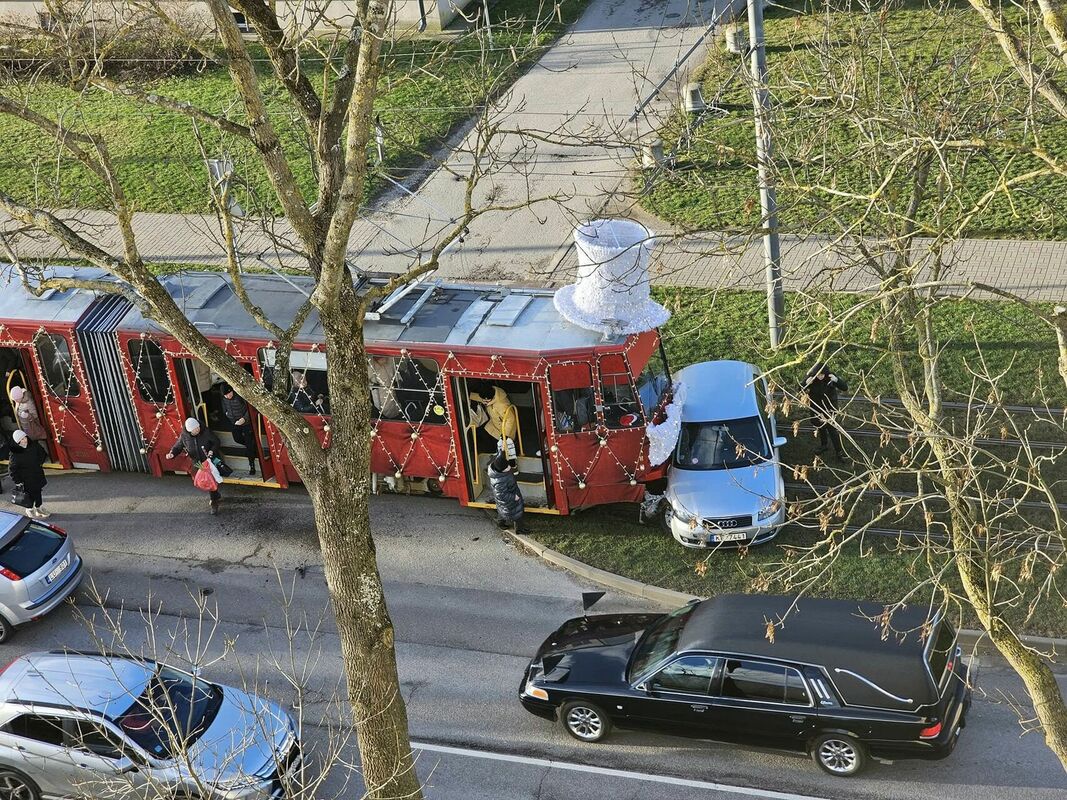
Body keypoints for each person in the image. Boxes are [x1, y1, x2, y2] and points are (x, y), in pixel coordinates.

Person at [166, 417, 224, 515]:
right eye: (195, 430)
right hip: (198, 462)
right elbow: (178, 446)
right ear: (189, 431)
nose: (197, 430)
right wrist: (172, 454)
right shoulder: (184, 436)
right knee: (207, 480)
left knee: (210, 479)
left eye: (198, 428)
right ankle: (215, 496)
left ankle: (214, 501)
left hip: (209, 460)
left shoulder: (205, 431)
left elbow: (216, 442)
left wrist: (212, 450)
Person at [802, 362, 848, 460]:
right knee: (821, 428)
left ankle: (839, 452)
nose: (820, 377)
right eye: (818, 375)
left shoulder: (831, 376)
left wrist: (837, 380)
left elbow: (845, 388)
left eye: (822, 374)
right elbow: (800, 389)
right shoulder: (811, 378)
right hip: (817, 409)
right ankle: (824, 445)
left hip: (829, 408)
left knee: (832, 431)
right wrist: (806, 384)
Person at [8, 430, 49, 518]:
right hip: (26, 479)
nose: (24, 440)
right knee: (29, 495)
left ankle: (38, 507)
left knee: (38, 492)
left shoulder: (34, 445)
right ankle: (29, 509)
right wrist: (17, 481)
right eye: (21, 440)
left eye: (24, 437)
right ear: (17, 442)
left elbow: (42, 454)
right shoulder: (15, 454)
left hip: (37, 474)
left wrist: (39, 463)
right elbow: (12, 470)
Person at [220, 383, 257, 476]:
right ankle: (252, 447)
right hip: (234, 422)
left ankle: (252, 465)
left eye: (228, 394)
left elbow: (250, 409)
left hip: (246, 422)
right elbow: (224, 409)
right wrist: (227, 414)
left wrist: (244, 419)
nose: (227, 396)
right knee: (237, 438)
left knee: (248, 444)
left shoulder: (240, 396)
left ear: (231, 391)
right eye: (225, 395)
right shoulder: (224, 399)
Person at [487, 450, 526, 535]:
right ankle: (519, 529)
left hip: (507, 497)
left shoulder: (498, 471)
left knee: (502, 511)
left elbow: (499, 456)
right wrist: (513, 497)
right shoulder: (499, 482)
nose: (509, 467)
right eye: (506, 467)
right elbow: (501, 495)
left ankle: (500, 523)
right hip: (510, 499)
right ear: (501, 470)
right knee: (517, 513)